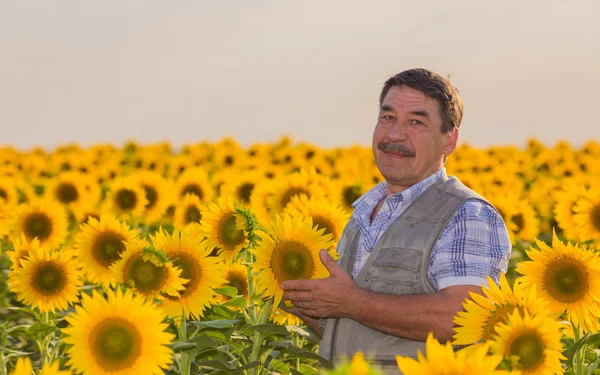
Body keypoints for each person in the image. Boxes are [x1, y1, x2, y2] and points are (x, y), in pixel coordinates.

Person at [280, 68, 512, 374]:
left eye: (416, 122)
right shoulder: (365, 211)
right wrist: (298, 296)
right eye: (387, 117)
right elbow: (353, 326)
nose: (394, 135)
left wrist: (351, 302)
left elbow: (460, 318)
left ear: (449, 141)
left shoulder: (466, 214)